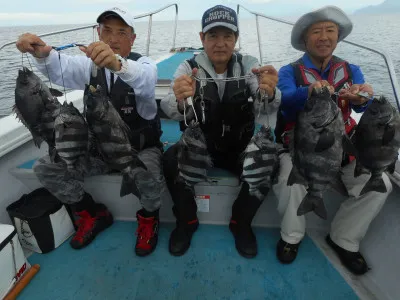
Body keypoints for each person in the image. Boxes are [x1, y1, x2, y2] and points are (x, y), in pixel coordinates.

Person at [16, 6, 165, 256]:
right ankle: (92, 213)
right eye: (106, 30)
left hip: (139, 149)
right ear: (98, 33)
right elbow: (59, 67)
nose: (112, 38)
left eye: (121, 32)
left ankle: (150, 218)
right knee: (45, 167)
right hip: (99, 152)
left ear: (132, 38)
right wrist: (40, 52)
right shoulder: (89, 67)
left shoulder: (144, 66)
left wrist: (118, 65)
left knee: (149, 176)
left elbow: (146, 79)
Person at [273, 5, 392, 274]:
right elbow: (286, 103)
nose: (324, 37)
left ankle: (343, 239)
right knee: (289, 179)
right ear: (305, 40)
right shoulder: (289, 72)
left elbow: (363, 108)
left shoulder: (352, 70)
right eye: (317, 31)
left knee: (380, 182)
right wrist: (309, 90)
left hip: (344, 147)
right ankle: (291, 237)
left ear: (338, 38)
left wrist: (363, 97)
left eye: (330, 31)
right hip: (302, 149)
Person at [160, 5, 279, 258]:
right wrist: (181, 98)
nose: (221, 43)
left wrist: (269, 90)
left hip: (240, 148)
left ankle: (241, 222)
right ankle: (187, 221)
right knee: (170, 161)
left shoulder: (250, 65)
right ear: (202, 38)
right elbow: (170, 109)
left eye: (227, 36)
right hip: (199, 146)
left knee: (272, 163)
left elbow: (263, 103)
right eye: (213, 36)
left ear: (236, 39)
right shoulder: (187, 67)